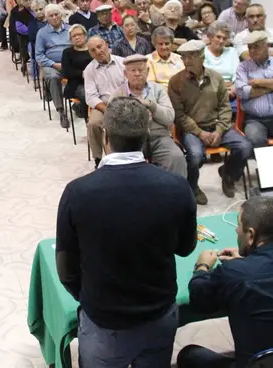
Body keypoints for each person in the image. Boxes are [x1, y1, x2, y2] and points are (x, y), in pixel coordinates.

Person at [57, 96, 196, 368]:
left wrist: (89, 298)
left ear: (105, 135)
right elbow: (186, 247)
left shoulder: (77, 193)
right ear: (146, 136)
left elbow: (66, 269)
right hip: (158, 312)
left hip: (103, 320)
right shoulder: (177, 186)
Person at [178, 196, 273, 368]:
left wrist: (202, 266)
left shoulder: (235, 273)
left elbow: (200, 300)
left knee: (189, 356)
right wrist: (249, 261)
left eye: (239, 226)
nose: (237, 230)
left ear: (251, 235)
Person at [170, 40, 253, 201]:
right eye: (183, 57)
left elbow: (225, 107)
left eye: (191, 57)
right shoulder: (176, 82)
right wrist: (200, 133)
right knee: (194, 156)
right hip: (193, 129)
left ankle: (228, 174)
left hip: (216, 125)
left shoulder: (216, 78)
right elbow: (179, 115)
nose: (186, 61)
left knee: (245, 147)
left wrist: (220, 130)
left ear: (202, 57)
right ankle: (192, 186)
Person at [118, 54, 187, 177]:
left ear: (148, 71)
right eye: (133, 70)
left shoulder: (158, 89)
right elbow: (113, 123)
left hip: (159, 137)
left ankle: (175, 193)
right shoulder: (118, 94)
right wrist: (137, 119)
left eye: (141, 70)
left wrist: (152, 106)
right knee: (127, 168)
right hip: (130, 141)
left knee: (176, 157)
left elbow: (169, 117)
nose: (137, 74)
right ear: (125, 74)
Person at [83, 36, 127, 167]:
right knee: (93, 123)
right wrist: (106, 109)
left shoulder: (123, 63)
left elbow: (129, 87)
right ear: (90, 54)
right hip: (103, 104)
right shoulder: (89, 70)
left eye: (99, 46)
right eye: (93, 50)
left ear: (106, 45)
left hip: (123, 102)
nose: (98, 51)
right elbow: (90, 97)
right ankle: (98, 159)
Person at [35, 4, 72, 128]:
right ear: (47, 18)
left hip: (70, 63)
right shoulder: (42, 33)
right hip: (52, 65)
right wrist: (54, 64)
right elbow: (39, 56)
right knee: (53, 77)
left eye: (57, 14)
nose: (55, 17)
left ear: (61, 15)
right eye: (51, 16)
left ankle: (81, 104)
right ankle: (61, 111)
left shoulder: (70, 29)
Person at [61, 25, 92, 110]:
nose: (77, 37)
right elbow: (66, 71)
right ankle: (88, 119)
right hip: (77, 84)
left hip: (96, 81)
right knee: (87, 95)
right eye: (74, 36)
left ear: (85, 35)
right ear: (70, 39)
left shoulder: (92, 49)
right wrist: (83, 74)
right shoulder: (67, 52)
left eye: (79, 34)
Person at [10, 0, 36, 75]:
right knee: (33, 51)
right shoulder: (19, 14)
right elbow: (21, 29)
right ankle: (35, 75)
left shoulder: (39, 8)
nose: (28, 2)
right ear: (23, 2)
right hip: (28, 39)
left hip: (43, 37)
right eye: (26, 0)